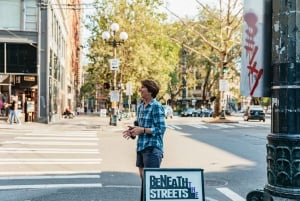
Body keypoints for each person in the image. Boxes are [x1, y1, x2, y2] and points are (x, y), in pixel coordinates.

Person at [122, 79, 166, 201]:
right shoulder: (141, 106)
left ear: (150, 91)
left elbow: (161, 129)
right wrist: (133, 131)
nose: (140, 89)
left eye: (143, 87)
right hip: (141, 148)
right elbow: (139, 126)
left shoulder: (156, 107)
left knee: (150, 184)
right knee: (145, 182)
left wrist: (142, 130)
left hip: (152, 149)